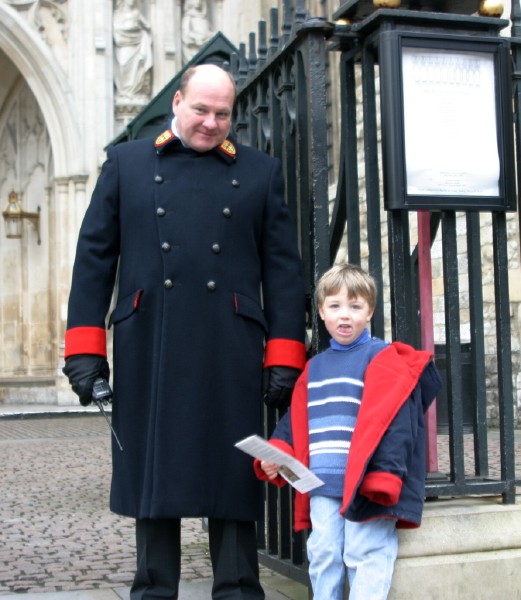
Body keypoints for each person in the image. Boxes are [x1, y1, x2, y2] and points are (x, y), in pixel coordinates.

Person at [62, 64, 307, 600]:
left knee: (235, 470)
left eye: (223, 113)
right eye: (201, 109)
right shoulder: (126, 164)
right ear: (177, 102)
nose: (211, 122)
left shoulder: (261, 172)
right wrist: (85, 351)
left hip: (232, 343)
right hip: (151, 338)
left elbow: (284, 271)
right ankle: (152, 590)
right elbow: (94, 260)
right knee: (155, 471)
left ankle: (239, 588)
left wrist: (285, 355)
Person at [254, 263, 442, 600]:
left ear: (369, 311)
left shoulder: (382, 357)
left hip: (365, 481)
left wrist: (387, 475)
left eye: (355, 307)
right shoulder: (314, 367)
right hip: (322, 483)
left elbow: (398, 424)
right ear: (322, 312)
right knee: (324, 553)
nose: (345, 316)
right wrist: (277, 455)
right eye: (335, 306)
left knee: (365, 551)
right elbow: (296, 422)